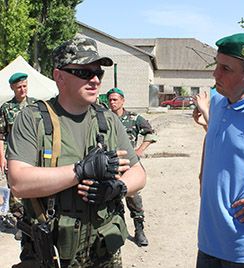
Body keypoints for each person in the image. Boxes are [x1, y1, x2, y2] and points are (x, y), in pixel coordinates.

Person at [8, 33, 146, 268]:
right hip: (53, 254)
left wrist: (117, 188)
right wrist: (80, 170)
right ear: (59, 77)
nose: (95, 80)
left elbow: (139, 174)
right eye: (84, 72)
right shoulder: (33, 118)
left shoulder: (108, 120)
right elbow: (19, 182)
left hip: (103, 252)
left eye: (98, 72)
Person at [196, 32, 244, 268]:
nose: (215, 74)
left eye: (226, 68)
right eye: (217, 64)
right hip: (207, 239)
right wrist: (201, 176)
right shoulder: (217, 99)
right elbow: (213, 138)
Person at [107, 87, 157, 247]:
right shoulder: (104, 117)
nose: (112, 102)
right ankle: (115, 230)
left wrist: (139, 151)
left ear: (123, 101)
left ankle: (139, 230)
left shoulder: (134, 118)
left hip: (129, 165)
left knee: (133, 197)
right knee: (110, 197)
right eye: (110, 99)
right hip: (110, 165)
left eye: (115, 99)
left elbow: (150, 133)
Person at [0, 73, 36, 234]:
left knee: (34, 186)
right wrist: (2, 157)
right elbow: (1, 135)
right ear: (12, 88)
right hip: (12, 154)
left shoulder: (35, 105)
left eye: (25, 86)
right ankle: (22, 225)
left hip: (33, 152)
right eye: (19, 87)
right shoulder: (6, 108)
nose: (22, 90)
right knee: (15, 190)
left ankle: (34, 222)